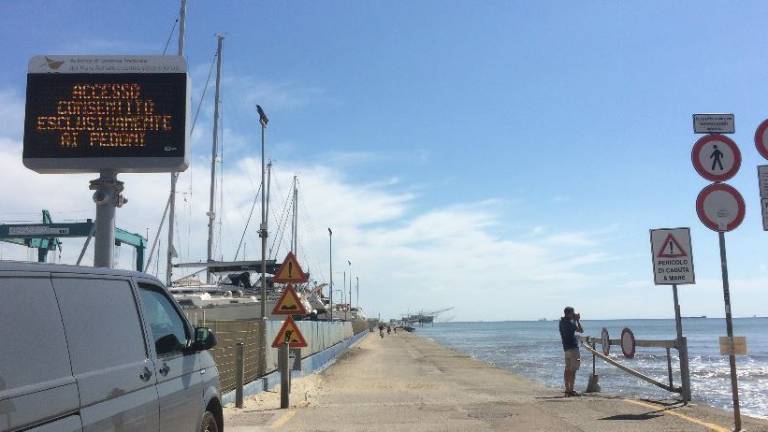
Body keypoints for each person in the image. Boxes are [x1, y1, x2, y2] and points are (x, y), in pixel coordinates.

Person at [559, 306, 583, 397]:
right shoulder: (570, 323)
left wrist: (573, 319)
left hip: (566, 349)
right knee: (573, 370)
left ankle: (567, 389)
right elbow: (581, 330)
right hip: (573, 348)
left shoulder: (561, 322)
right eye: (573, 313)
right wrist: (577, 320)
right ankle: (571, 390)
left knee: (567, 369)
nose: (574, 314)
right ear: (569, 314)